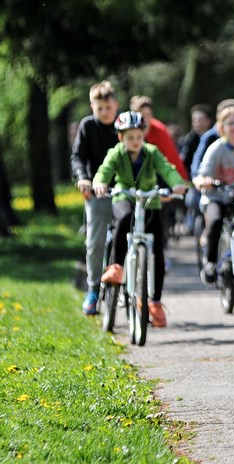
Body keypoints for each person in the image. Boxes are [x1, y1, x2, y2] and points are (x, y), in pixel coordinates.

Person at [92, 111, 188, 327]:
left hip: (149, 202)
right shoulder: (116, 153)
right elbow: (104, 171)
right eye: (130, 137)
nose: (135, 141)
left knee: (158, 252)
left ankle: (155, 302)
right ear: (121, 138)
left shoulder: (151, 152)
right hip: (124, 197)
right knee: (124, 217)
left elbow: (167, 169)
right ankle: (116, 267)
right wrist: (100, 183)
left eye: (138, 136)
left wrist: (177, 183)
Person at [70, 80, 120, 316]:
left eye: (108, 107)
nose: (105, 112)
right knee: (95, 240)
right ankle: (92, 289)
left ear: (116, 105)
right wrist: (83, 178)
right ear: (92, 107)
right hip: (96, 191)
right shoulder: (87, 126)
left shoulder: (123, 126)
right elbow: (78, 156)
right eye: (99, 108)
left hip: (123, 189)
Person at [194, 106, 234, 285]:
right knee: (215, 221)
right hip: (217, 196)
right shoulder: (216, 148)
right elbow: (203, 172)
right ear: (222, 127)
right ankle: (211, 262)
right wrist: (204, 180)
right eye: (230, 124)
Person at [129, 95, 188, 181]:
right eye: (142, 115)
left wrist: (182, 180)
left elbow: (172, 157)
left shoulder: (160, 130)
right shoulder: (128, 129)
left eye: (148, 115)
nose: (145, 119)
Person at [181, 104, 214, 177]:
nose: (197, 122)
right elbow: (185, 161)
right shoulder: (189, 139)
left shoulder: (215, 139)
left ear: (209, 120)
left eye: (201, 119)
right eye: (194, 120)